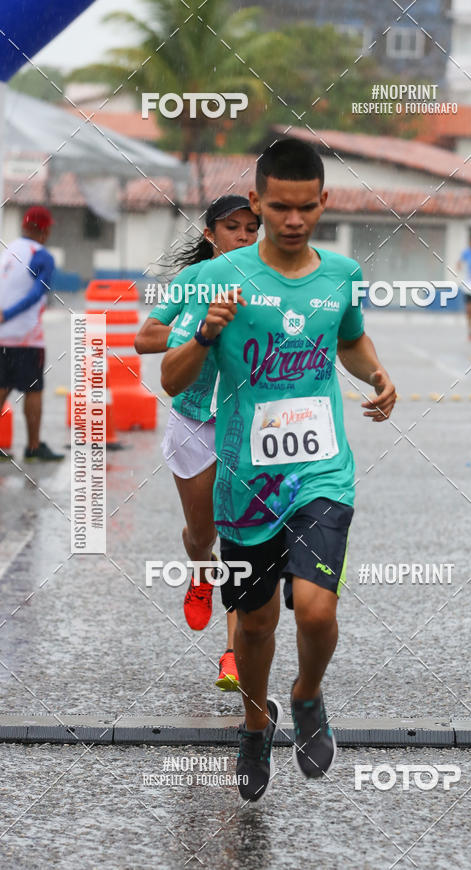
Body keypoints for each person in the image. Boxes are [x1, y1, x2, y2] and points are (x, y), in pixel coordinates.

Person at [161, 138, 396, 802]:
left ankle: (308, 696)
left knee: (317, 611)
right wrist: (205, 334)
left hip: (321, 469)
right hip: (243, 478)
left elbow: (348, 338)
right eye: (279, 208)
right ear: (258, 203)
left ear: (324, 201)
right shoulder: (217, 278)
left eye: (306, 208)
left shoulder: (342, 274)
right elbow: (169, 375)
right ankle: (255, 723)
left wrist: (376, 372)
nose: (293, 221)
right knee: (258, 622)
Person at [135, 195, 260, 691]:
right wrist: (193, 332)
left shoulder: (268, 284)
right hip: (192, 419)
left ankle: (232, 654)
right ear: (211, 234)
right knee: (202, 537)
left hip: (246, 424)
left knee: (240, 540)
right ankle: (198, 570)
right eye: (234, 228)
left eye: (253, 229)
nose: (245, 238)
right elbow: (145, 337)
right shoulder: (191, 282)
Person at [0, 206, 64, 462]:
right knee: (33, 390)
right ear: (44, 230)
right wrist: (7, 314)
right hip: (26, 337)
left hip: (1, 337)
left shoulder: (7, 251)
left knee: (1, 387)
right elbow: (38, 293)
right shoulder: (42, 256)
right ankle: (34, 448)